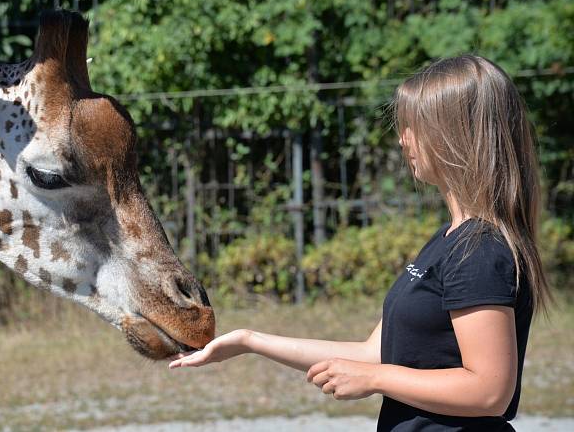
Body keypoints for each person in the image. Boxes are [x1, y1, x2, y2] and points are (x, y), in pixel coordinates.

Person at [169, 55, 550, 431]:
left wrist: (375, 379)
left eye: (415, 127)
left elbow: (489, 391)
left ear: (456, 136)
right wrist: (249, 341)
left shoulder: (480, 252)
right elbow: (373, 352)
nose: (403, 140)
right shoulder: (448, 241)